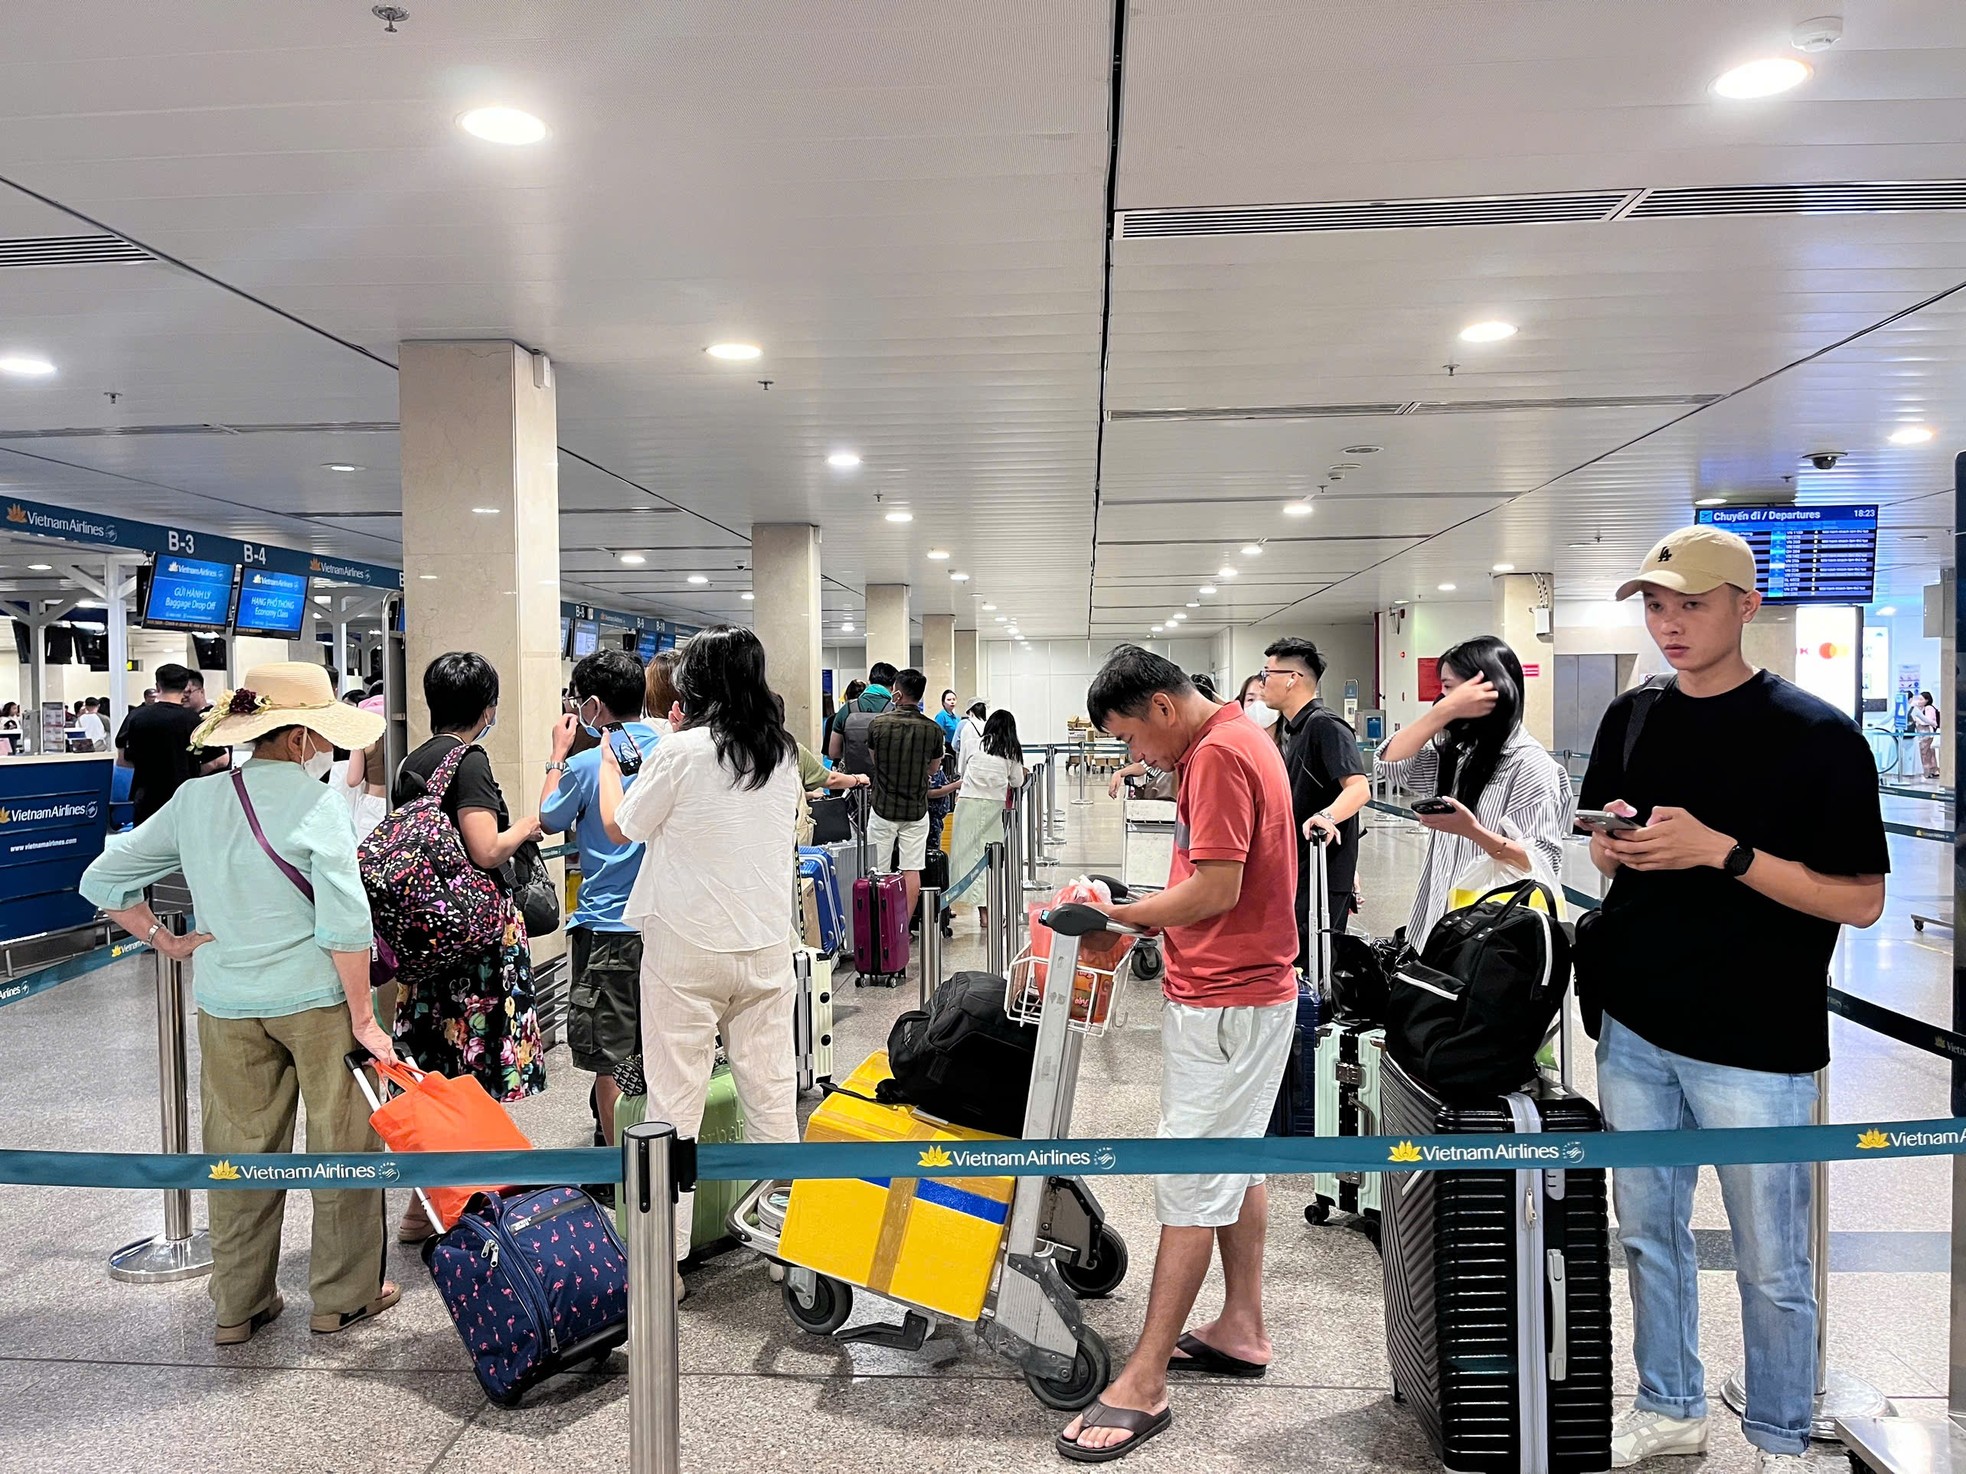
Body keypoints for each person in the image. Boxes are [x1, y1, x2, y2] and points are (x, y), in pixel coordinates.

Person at [1576, 528, 1887, 1472]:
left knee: (1771, 1262)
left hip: (1756, 1040)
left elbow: (1861, 900)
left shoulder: (1818, 737)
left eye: (1692, 605)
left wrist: (1723, 853)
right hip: (1635, 1025)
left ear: (1747, 606)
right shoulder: (1631, 717)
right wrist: (1616, 844)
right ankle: (1668, 1405)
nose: (1670, 625)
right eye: (1656, 607)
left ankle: (1781, 1435)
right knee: (1648, 1236)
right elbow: (1599, 839)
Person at [78, 663, 399, 1344]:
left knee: (239, 1155)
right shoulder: (319, 805)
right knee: (341, 1150)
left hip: (225, 1002)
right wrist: (365, 1020)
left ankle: (239, 1305)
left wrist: (164, 939)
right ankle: (343, 1298)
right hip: (318, 1003)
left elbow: (103, 878)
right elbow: (345, 922)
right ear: (301, 738)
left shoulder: (197, 800)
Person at [1057, 647, 1298, 1462]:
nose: (1135, 757)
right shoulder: (1227, 738)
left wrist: (1122, 919)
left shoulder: (1221, 755)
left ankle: (1145, 1381)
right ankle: (1241, 1326)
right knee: (1237, 1165)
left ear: (1163, 707)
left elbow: (1217, 890)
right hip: (1236, 992)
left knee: (1191, 1183)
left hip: (1231, 1000)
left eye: (1132, 738)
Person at [594, 625, 800, 1296]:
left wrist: (606, 763)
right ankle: (787, 1246)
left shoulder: (679, 752)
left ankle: (666, 1264)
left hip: (686, 949)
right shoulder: (783, 754)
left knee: (673, 1103)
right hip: (766, 944)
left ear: (695, 685)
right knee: (771, 1096)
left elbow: (625, 824)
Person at [391, 652, 546, 1241]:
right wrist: (527, 825)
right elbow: (485, 848)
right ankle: (463, 1204)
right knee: (476, 1070)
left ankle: (420, 1206)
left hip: (428, 937)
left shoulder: (413, 762)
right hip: (475, 941)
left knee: (434, 1068)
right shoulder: (470, 760)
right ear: (487, 708)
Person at [1374, 636, 1570, 950]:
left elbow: (1540, 861)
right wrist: (1441, 714)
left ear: (1487, 689)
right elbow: (1392, 765)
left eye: (1450, 688)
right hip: (1438, 921)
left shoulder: (1529, 764)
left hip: (1490, 935)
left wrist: (1472, 831)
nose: (1443, 697)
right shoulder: (1460, 754)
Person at [539, 649, 661, 1150]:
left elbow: (548, 817)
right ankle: (661, 1152)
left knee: (609, 1057)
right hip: (664, 924)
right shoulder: (672, 750)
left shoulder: (587, 764)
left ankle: (620, 1168)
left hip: (607, 926)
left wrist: (557, 755)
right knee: (660, 1051)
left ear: (592, 705)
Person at [1260, 637, 1370, 952]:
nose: (1263, 681)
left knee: (1315, 962)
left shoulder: (1326, 726)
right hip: (1297, 868)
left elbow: (1358, 788)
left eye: (1268, 673)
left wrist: (1326, 817)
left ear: (1292, 679)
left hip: (1322, 874)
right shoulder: (1290, 728)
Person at [864, 667, 946, 923]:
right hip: (916, 810)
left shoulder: (877, 725)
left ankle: (879, 927)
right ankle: (902, 927)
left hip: (882, 807)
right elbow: (933, 768)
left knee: (877, 871)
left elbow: (875, 761)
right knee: (912, 870)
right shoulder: (933, 730)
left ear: (897, 694)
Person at [114, 663, 229, 824]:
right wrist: (190, 771)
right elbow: (221, 760)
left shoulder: (135, 717)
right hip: (185, 798)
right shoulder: (196, 721)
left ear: (157, 686)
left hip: (147, 799)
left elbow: (123, 761)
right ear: (185, 688)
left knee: (148, 847)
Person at [947, 709, 1025, 934]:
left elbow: (962, 770)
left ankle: (952, 905)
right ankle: (988, 914)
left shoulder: (973, 743)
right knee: (989, 860)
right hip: (993, 806)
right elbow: (1017, 781)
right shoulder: (1011, 749)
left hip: (968, 803)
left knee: (963, 857)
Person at [826, 661, 895, 770]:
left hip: (853, 780)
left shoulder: (847, 709)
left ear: (870, 681)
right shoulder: (895, 710)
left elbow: (834, 752)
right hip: (885, 778)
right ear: (893, 687)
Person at [1912, 690, 1941, 780]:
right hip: (1924, 733)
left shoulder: (1929, 708)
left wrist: (1917, 719)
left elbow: (1929, 721)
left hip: (1927, 733)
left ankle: (1927, 772)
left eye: (1921, 699)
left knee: (1924, 753)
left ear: (1927, 700)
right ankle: (1933, 770)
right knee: (1929, 753)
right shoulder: (1922, 708)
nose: (1919, 701)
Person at [954, 699, 987, 773]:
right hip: (985, 767)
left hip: (970, 767)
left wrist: (961, 771)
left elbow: (958, 747)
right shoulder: (989, 726)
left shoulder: (965, 725)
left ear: (970, 712)